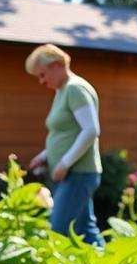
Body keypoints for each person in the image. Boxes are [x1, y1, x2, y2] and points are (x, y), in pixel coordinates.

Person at [25, 44, 105, 246]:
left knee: (58, 229)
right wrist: (45, 156)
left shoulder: (75, 89)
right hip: (72, 173)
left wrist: (64, 163)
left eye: (43, 75)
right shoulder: (63, 91)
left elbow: (91, 130)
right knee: (85, 230)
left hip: (77, 173)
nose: (42, 81)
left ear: (57, 65)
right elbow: (67, 132)